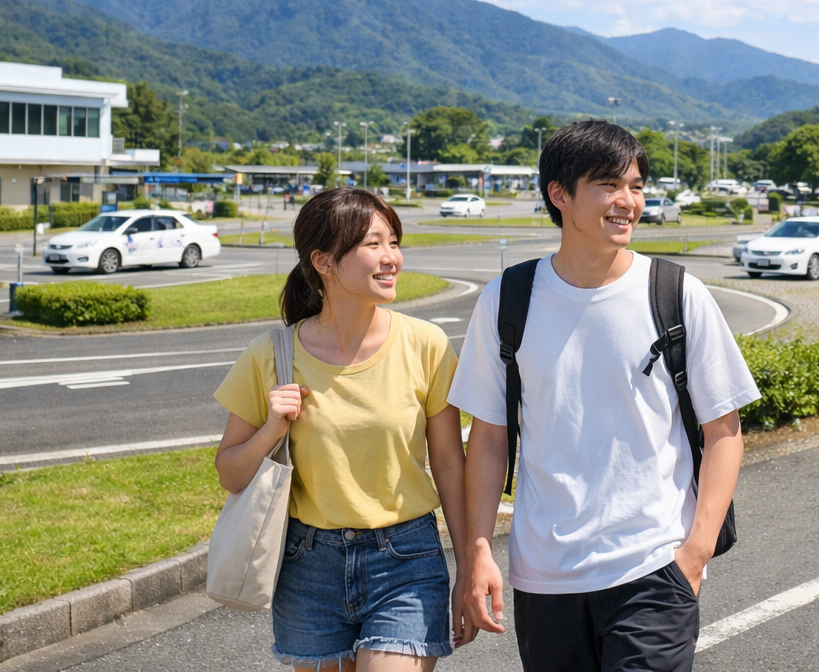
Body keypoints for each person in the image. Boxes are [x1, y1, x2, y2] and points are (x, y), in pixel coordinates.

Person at [452, 120, 760, 672]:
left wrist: (695, 553)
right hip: (544, 574)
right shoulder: (508, 300)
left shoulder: (673, 292)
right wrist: (477, 551)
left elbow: (724, 431)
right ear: (559, 195)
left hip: (653, 566)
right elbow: (491, 438)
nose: (628, 202)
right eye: (609, 185)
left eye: (637, 186)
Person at [214, 187, 471, 670]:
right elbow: (230, 474)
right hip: (308, 564)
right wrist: (271, 429)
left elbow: (450, 465)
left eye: (393, 242)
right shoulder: (271, 354)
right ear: (324, 262)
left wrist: (470, 565)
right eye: (373, 244)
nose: (390, 257)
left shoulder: (427, 345)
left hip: (406, 559)